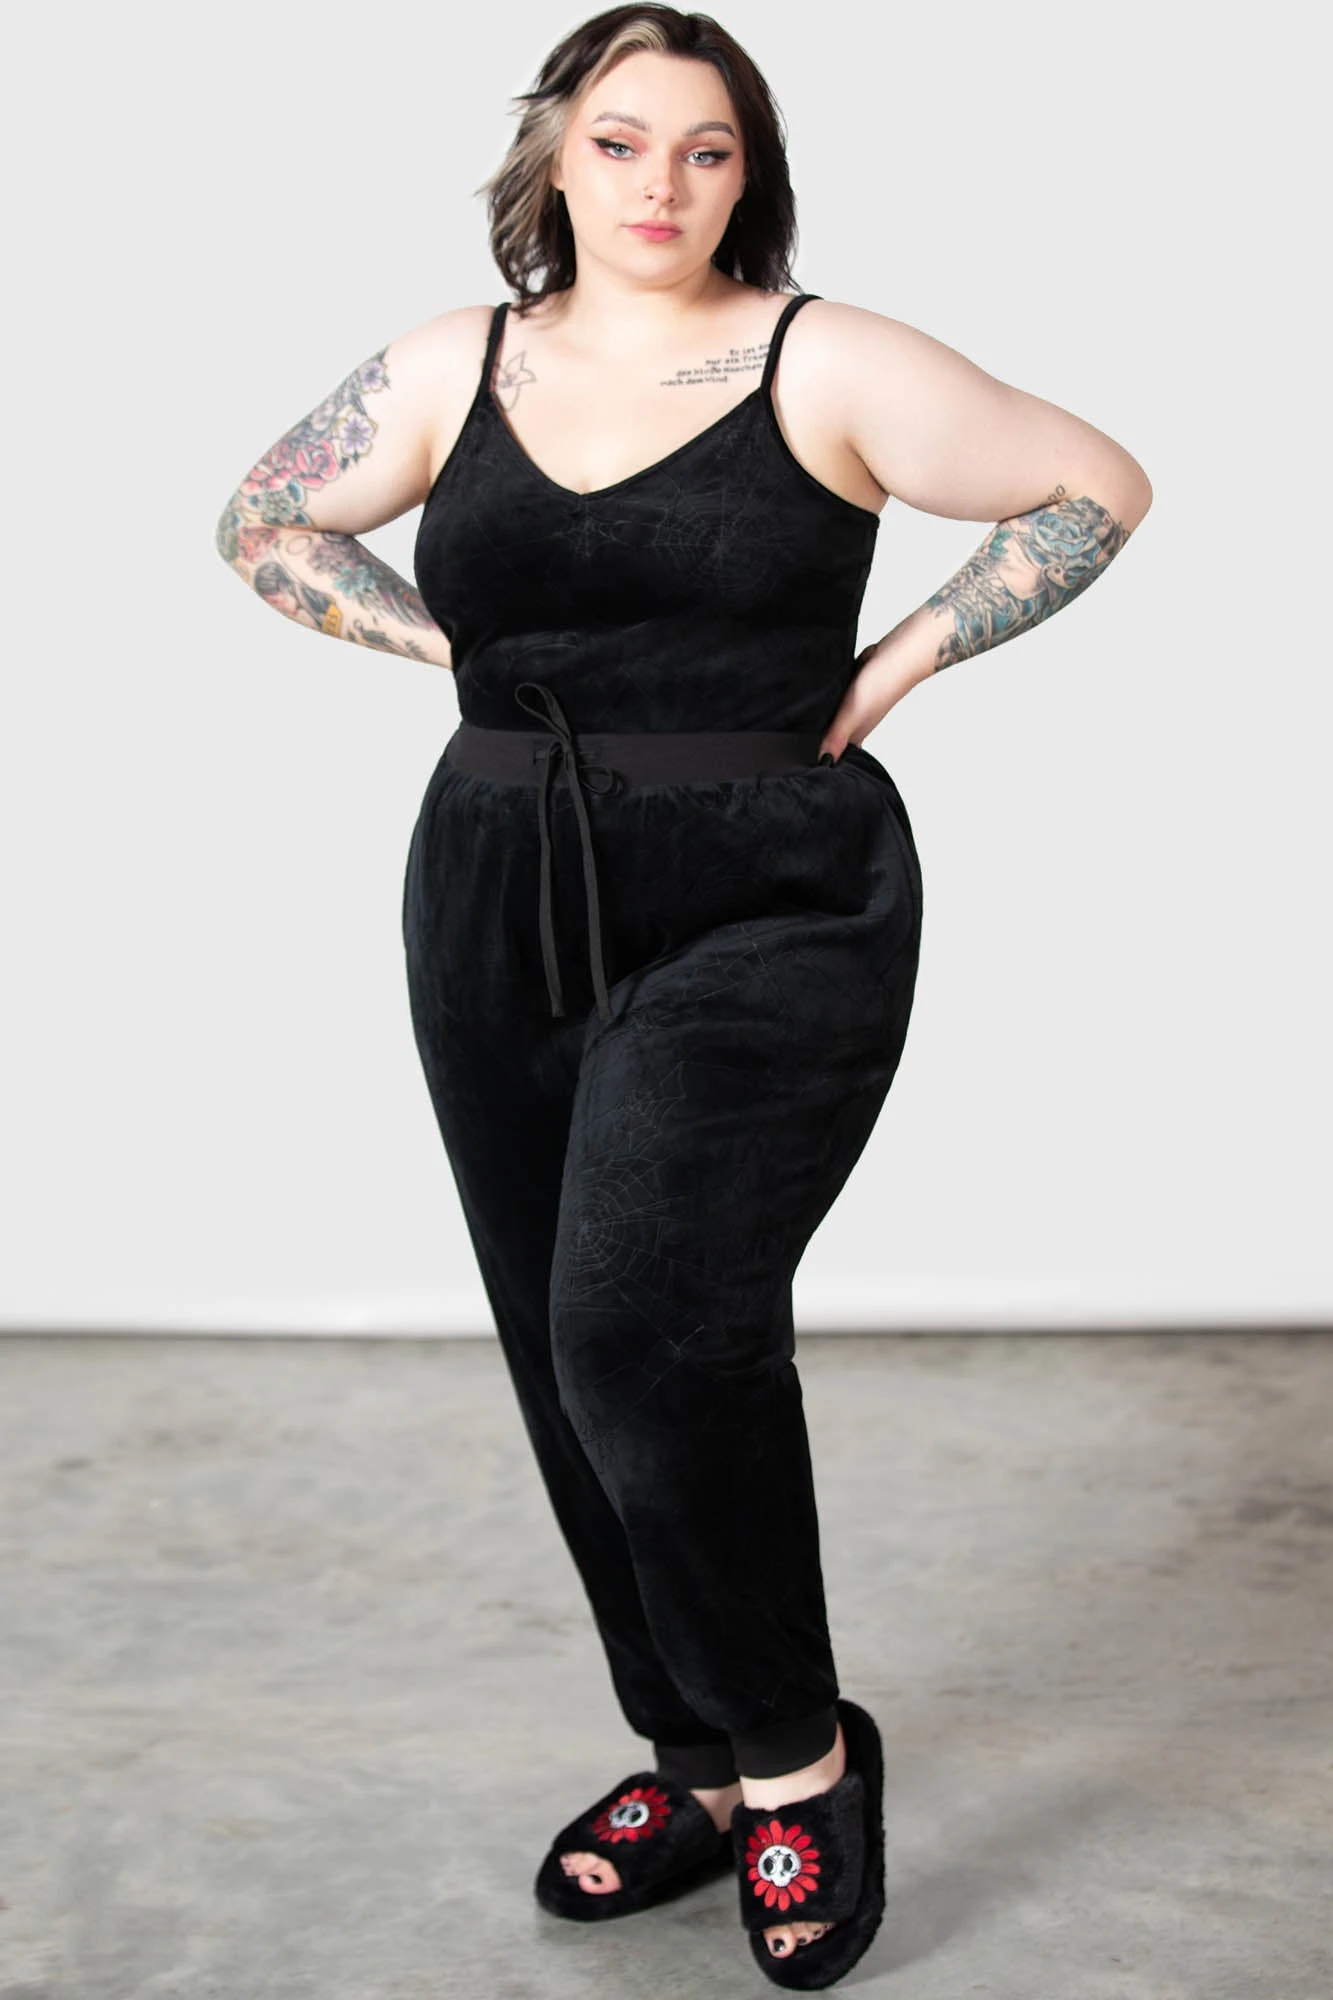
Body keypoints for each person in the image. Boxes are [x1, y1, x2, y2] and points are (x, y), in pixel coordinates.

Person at [214, 4, 1152, 1985]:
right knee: (561, 1342)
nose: (661, 183)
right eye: (622, 141)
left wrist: (901, 662)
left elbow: (1092, 486)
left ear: (751, 172)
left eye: (706, 148)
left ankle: (801, 1760)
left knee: (651, 1320)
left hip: (771, 890)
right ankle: (695, 1756)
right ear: (554, 156)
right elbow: (260, 519)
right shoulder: (451, 363)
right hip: (497, 880)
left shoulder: (829, 357)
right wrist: (446, 654)